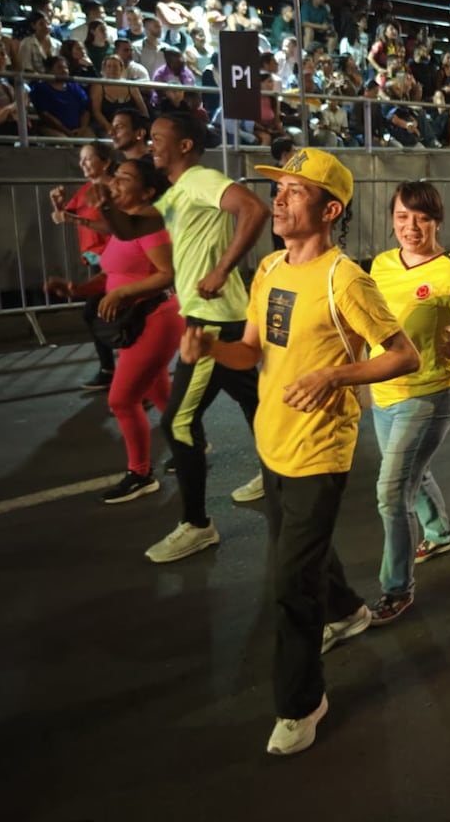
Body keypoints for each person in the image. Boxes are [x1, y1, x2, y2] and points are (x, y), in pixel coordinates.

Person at [183, 149, 419, 755]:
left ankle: (301, 702)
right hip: (272, 441)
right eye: (279, 188)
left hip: (320, 451)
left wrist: (336, 377)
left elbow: (402, 355)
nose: (280, 199)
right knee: (300, 551)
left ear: (330, 208)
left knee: (290, 582)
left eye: (294, 191)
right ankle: (346, 612)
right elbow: (252, 351)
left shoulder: (347, 279)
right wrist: (211, 347)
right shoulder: (267, 270)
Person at [98, 112, 271, 562]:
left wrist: (221, 268)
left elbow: (254, 208)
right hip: (218, 315)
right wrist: (103, 204)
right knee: (255, 401)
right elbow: (133, 227)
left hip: (212, 319)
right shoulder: (176, 194)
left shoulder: (201, 180)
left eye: (157, 138)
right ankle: (279, 473)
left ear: (186, 146)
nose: (149, 142)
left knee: (178, 422)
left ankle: (197, 524)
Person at [367, 182, 450, 623]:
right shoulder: (382, 265)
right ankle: (440, 532)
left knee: (391, 491)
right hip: (384, 392)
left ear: (437, 222)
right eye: (403, 217)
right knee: (409, 472)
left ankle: (395, 588)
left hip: (430, 396)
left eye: (422, 218)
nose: (411, 227)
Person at [48, 156, 183, 503]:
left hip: (154, 317)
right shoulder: (125, 226)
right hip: (135, 319)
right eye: (117, 176)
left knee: (122, 400)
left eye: (124, 177)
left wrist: (124, 293)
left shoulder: (149, 225)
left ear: (148, 191)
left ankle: (141, 474)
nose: (116, 181)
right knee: (158, 390)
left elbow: (167, 274)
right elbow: (112, 274)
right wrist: (76, 289)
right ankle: (189, 443)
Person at [48, 142, 118, 389]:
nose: (83, 164)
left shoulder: (116, 189)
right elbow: (60, 218)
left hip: (117, 262)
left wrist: (77, 220)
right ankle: (115, 370)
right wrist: (58, 206)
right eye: (81, 160)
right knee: (101, 314)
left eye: (88, 159)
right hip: (96, 262)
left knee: (95, 314)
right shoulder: (86, 189)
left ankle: (117, 371)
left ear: (106, 161)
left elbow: (116, 226)